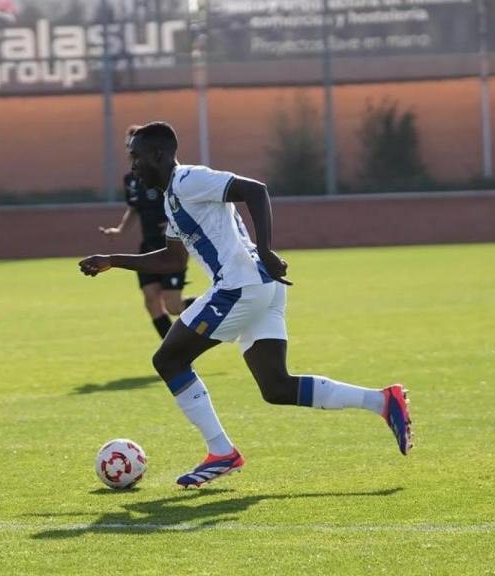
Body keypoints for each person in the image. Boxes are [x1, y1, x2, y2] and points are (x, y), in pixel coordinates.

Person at [80, 122, 412, 488]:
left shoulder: (189, 179)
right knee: (277, 387)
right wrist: (113, 259)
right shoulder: (172, 201)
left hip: (240, 287)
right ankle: (383, 401)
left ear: (158, 155)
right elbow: (172, 261)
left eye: (137, 157)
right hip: (262, 287)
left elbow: (255, 190)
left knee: (168, 359)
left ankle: (221, 451)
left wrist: (266, 249)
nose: (133, 166)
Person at [100, 126, 193, 338]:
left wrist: (174, 222)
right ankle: (175, 351)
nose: (130, 150)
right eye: (127, 146)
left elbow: (184, 200)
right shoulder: (131, 180)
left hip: (171, 246)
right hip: (148, 245)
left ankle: (220, 306)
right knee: (151, 301)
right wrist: (120, 230)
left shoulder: (168, 174)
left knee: (174, 306)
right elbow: (134, 208)